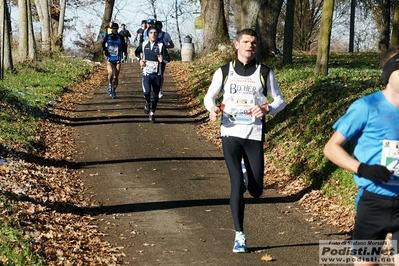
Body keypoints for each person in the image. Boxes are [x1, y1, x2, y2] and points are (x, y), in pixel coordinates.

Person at [203, 28, 285, 253]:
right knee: (236, 185)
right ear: (236, 45)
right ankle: (239, 235)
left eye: (254, 43)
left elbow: (280, 101)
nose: (250, 46)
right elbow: (209, 96)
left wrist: (267, 108)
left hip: (254, 134)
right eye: (246, 42)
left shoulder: (265, 72)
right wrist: (212, 109)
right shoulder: (224, 71)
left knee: (256, 189)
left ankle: (248, 172)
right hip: (230, 133)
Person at [324, 46, 399, 266]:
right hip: (373, 202)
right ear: (388, 72)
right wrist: (363, 169)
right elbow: (331, 148)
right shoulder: (366, 106)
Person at [134, 27, 170, 122]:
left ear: (157, 35)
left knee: (155, 96)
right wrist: (140, 60)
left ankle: (152, 113)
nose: (153, 35)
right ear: (148, 34)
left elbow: (167, 58)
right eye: (151, 33)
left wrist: (162, 61)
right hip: (146, 73)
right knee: (146, 92)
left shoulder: (161, 45)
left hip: (157, 74)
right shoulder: (144, 44)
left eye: (155, 33)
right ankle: (147, 102)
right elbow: (136, 52)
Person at [101, 22, 127, 99]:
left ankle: (114, 91)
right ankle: (109, 84)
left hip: (117, 59)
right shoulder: (108, 36)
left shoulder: (120, 37)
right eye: (113, 28)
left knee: (116, 76)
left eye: (116, 28)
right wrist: (105, 50)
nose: (115, 30)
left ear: (117, 29)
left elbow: (124, 45)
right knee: (110, 74)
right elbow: (103, 44)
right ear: (111, 29)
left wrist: (124, 52)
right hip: (110, 58)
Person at [154, 20, 175, 99]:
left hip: (162, 56)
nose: (158, 28)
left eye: (159, 26)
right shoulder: (153, 35)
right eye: (157, 26)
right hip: (154, 56)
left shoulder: (166, 35)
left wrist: (165, 47)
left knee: (161, 73)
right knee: (154, 73)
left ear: (161, 27)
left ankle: (160, 89)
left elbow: (172, 45)